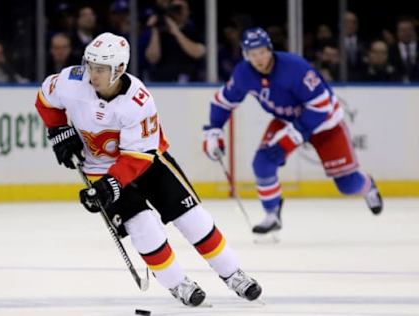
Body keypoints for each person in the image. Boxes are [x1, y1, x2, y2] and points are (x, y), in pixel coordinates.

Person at [34, 32, 261, 306]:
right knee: (143, 227)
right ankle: (178, 283)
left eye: (101, 69)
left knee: (192, 217)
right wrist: (58, 130)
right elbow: (45, 99)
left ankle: (232, 273)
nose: (92, 74)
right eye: (91, 65)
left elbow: (138, 157)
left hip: (149, 161)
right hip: (98, 168)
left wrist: (112, 186)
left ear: (119, 69)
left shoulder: (138, 101)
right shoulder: (72, 81)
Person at [202, 27, 384, 235]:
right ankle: (272, 214)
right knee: (263, 162)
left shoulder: (295, 68)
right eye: (253, 54)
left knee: (348, 185)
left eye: (262, 52)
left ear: (270, 49)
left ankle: (368, 186)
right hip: (287, 120)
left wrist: (292, 137)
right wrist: (214, 130)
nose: (259, 58)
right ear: (246, 55)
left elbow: (320, 106)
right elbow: (223, 102)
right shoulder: (244, 73)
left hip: (325, 123)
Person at [143, 0, 205, 82]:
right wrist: (155, 29)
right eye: (174, 8)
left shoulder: (194, 30)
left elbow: (198, 53)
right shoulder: (160, 31)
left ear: (188, 11)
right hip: (162, 82)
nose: (177, 11)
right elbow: (152, 58)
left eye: (180, 8)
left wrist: (176, 32)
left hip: (189, 83)